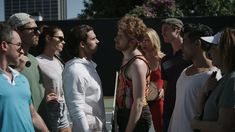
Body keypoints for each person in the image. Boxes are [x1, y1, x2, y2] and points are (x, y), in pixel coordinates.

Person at [167, 23, 221, 132]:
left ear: (197, 43)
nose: (181, 46)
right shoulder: (184, 72)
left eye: (184, 42)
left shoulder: (214, 76)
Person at [0, 23, 48, 132]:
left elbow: (33, 116)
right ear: (4, 46)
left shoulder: (21, 79)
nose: (22, 51)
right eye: (18, 45)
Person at [62, 24, 107, 132]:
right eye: (93, 38)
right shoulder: (75, 70)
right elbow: (76, 110)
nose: (98, 41)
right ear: (82, 44)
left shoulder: (88, 66)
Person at [191, 27, 235, 132]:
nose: (209, 50)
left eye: (213, 47)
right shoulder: (225, 79)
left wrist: (197, 124)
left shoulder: (232, 81)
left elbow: (224, 127)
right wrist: (204, 91)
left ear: (224, 51)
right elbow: (200, 111)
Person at [115, 15, 152, 132]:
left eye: (120, 36)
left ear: (132, 41)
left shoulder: (137, 64)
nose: (116, 39)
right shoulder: (127, 59)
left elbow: (139, 102)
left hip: (136, 119)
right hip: (126, 115)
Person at [7, 12, 45, 111]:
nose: (38, 33)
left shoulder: (33, 60)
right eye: (33, 29)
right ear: (16, 31)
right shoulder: (6, 63)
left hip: (40, 123)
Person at [36, 26, 71, 132]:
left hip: (62, 108)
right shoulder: (37, 62)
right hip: (49, 109)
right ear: (48, 38)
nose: (63, 42)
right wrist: (44, 99)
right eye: (60, 38)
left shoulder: (59, 62)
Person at [160, 18, 191, 132]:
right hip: (169, 109)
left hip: (188, 107)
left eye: (165, 30)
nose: (162, 33)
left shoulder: (191, 55)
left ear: (177, 30)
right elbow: (166, 85)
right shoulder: (165, 60)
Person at [140, 28, 165, 132]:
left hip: (159, 103)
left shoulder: (163, 59)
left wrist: (164, 90)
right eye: (142, 40)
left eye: (147, 40)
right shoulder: (139, 60)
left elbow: (171, 82)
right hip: (142, 102)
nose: (144, 43)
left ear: (154, 40)